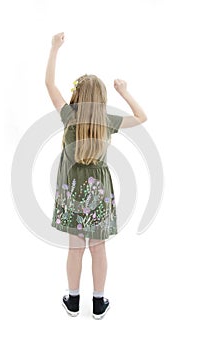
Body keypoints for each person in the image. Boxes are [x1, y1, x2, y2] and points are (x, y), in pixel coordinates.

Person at [45, 32, 147, 319]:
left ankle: (74, 301)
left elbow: (49, 84)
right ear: (101, 99)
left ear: (77, 96)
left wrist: (54, 48)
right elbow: (141, 117)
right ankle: (99, 302)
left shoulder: (69, 117)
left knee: (75, 249)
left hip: (71, 193)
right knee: (98, 249)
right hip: (99, 194)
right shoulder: (107, 121)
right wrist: (124, 91)